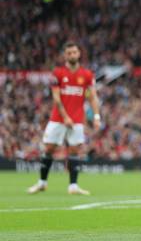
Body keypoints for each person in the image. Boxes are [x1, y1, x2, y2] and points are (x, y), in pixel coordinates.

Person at [28, 42, 100, 195]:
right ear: (65, 55)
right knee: (49, 149)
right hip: (58, 119)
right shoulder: (58, 73)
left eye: (74, 52)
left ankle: (73, 186)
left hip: (77, 120)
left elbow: (92, 97)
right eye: (69, 53)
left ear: (79, 53)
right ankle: (42, 182)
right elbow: (56, 98)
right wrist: (66, 117)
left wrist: (96, 116)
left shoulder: (87, 75)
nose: (72, 55)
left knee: (74, 150)